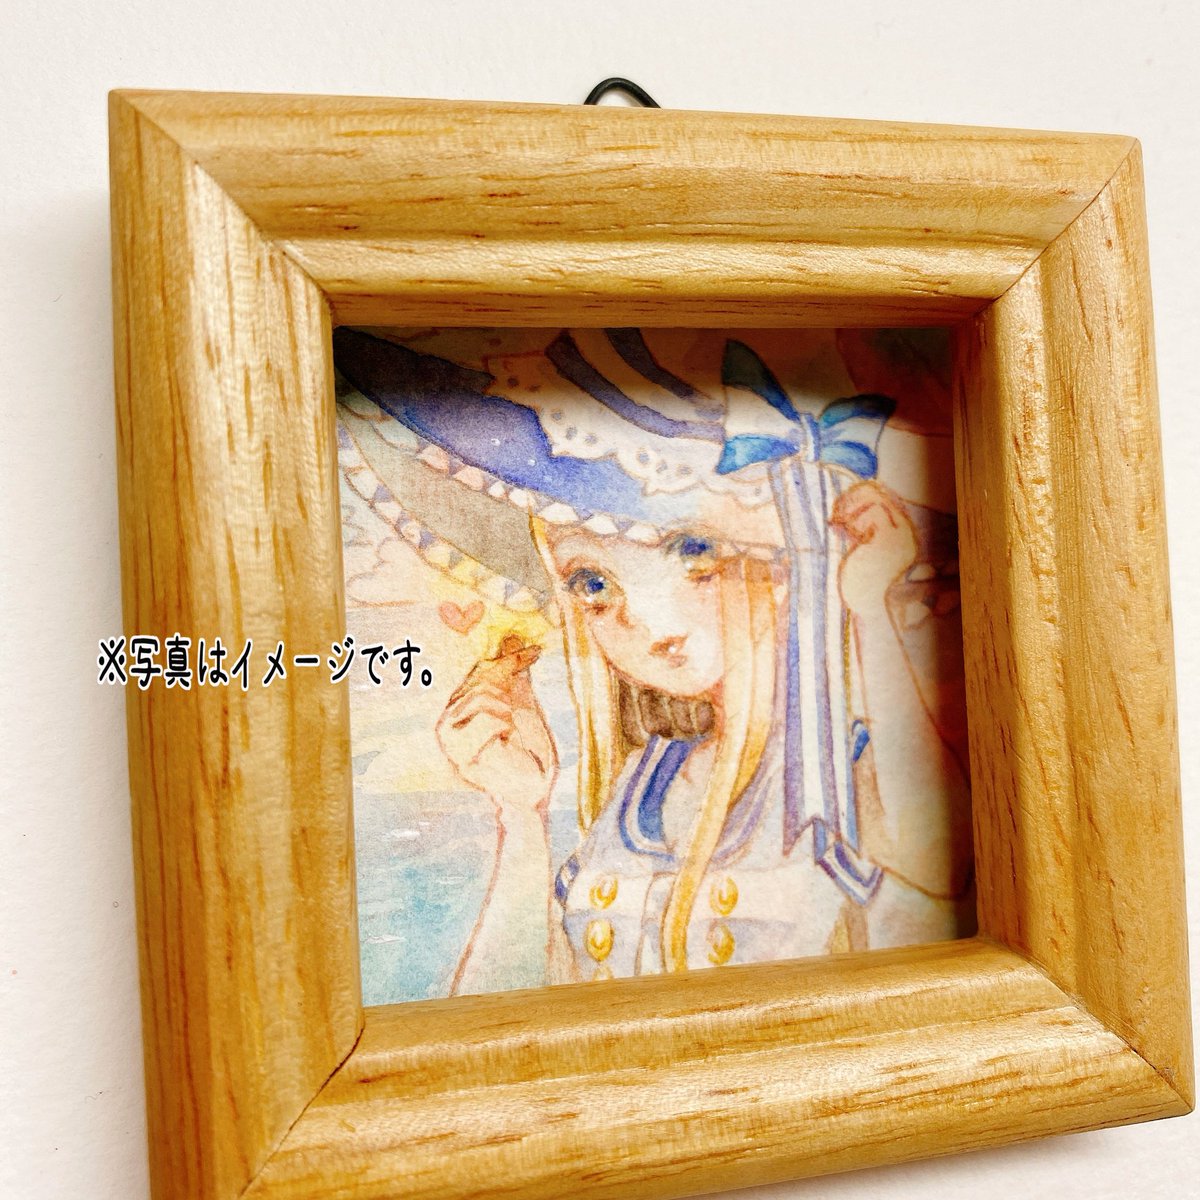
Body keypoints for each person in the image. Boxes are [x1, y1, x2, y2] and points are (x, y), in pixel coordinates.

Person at [333, 326, 973, 995]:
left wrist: (868, 607)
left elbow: (940, 862)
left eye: (695, 554)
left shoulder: (842, 768)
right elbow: (500, 1017)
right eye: (593, 585)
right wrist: (521, 816)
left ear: (785, 565)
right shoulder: (640, 784)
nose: (649, 624)